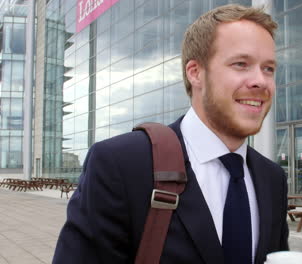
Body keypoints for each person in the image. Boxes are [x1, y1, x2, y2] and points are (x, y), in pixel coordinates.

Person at [53, 4, 289, 264]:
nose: (261, 81)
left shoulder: (272, 179)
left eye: (268, 68)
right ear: (195, 72)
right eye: (241, 64)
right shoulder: (121, 164)